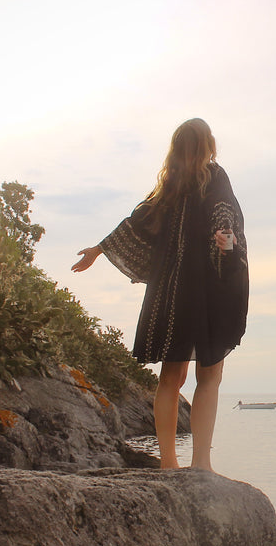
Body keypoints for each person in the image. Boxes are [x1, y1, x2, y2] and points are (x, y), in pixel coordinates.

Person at [71, 118, 248, 471]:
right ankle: (200, 464)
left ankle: (169, 463)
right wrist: (226, 241)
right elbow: (224, 214)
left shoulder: (169, 185)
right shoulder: (215, 177)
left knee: (170, 377)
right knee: (209, 376)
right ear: (209, 144)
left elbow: (137, 222)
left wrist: (100, 248)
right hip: (207, 290)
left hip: (169, 295)